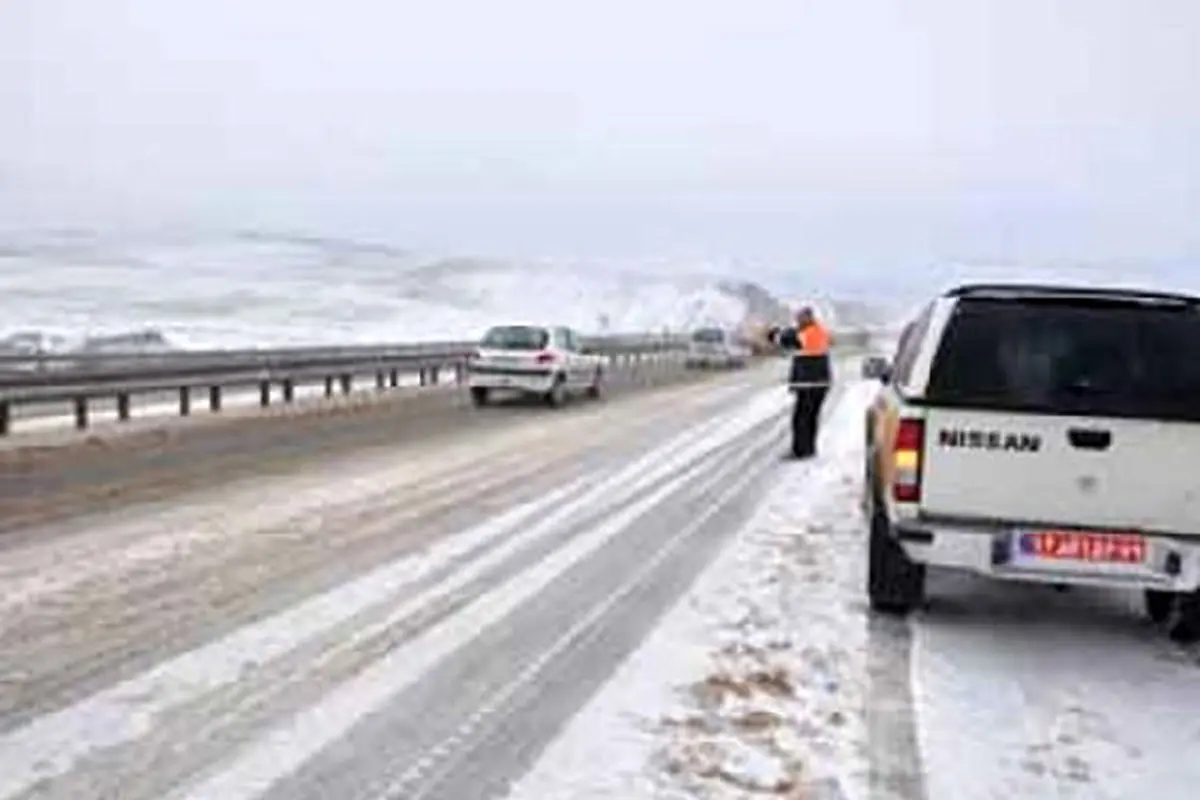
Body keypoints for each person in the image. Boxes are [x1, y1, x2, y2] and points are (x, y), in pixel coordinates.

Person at [764, 306, 833, 458]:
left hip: (808, 383)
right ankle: (809, 449)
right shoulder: (819, 331)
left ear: (807, 318)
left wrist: (773, 333)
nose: (797, 321)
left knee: (801, 418)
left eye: (800, 318)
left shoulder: (807, 334)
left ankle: (800, 451)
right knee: (811, 418)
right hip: (821, 383)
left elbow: (787, 340)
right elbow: (793, 335)